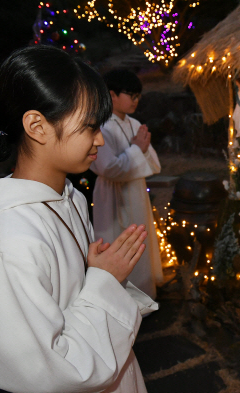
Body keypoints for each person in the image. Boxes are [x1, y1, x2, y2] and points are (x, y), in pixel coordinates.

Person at [0, 46, 157, 393]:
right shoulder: (8, 239)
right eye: (90, 128)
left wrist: (93, 273)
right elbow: (49, 367)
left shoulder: (68, 196)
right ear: (37, 126)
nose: (100, 140)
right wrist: (104, 280)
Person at [91, 69, 163, 299]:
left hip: (136, 193)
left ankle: (143, 294)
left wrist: (140, 150)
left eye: (138, 96)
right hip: (112, 196)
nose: (135, 100)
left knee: (139, 242)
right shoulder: (101, 126)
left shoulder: (134, 123)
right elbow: (108, 168)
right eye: (130, 95)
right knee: (116, 242)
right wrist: (136, 150)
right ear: (112, 95)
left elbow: (154, 165)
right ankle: (118, 300)